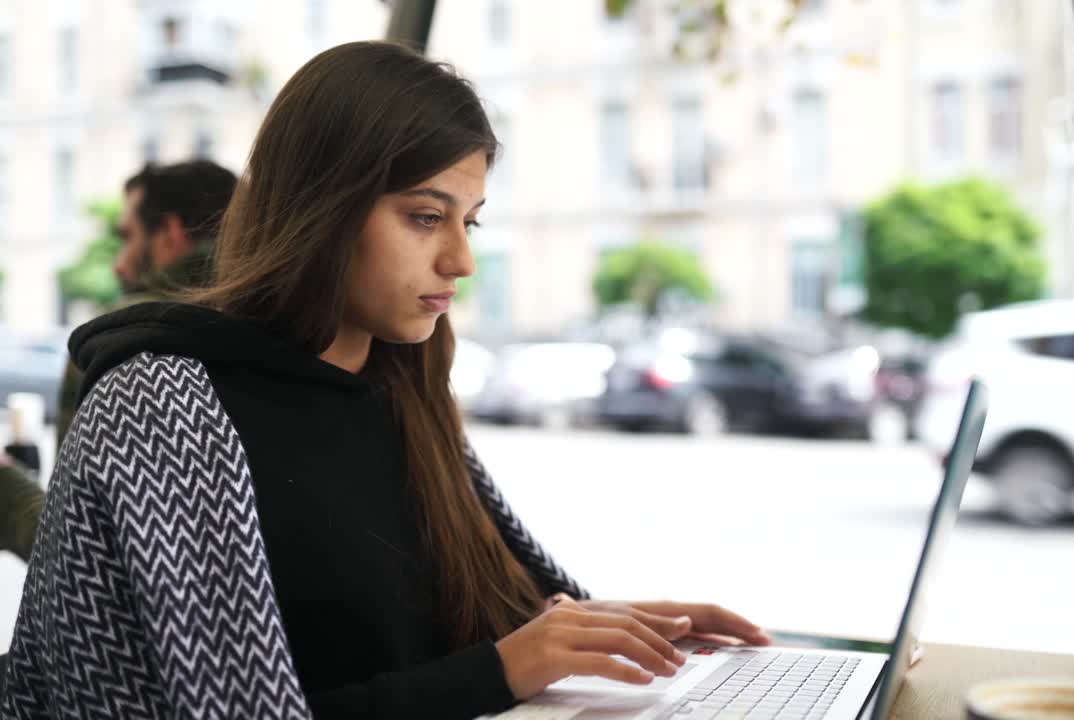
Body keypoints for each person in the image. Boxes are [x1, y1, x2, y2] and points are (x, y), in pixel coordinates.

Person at [0, 42, 768, 719]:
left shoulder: (400, 377)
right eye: (425, 217)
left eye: (471, 221)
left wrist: (616, 633)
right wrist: (506, 669)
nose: (461, 262)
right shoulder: (164, 405)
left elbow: (486, 617)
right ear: (321, 209)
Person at [0, 160, 237, 562]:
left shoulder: (119, 338)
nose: (119, 264)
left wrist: (8, 492)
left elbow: (80, 553)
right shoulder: (289, 324)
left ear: (170, 233)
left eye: (128, 238)